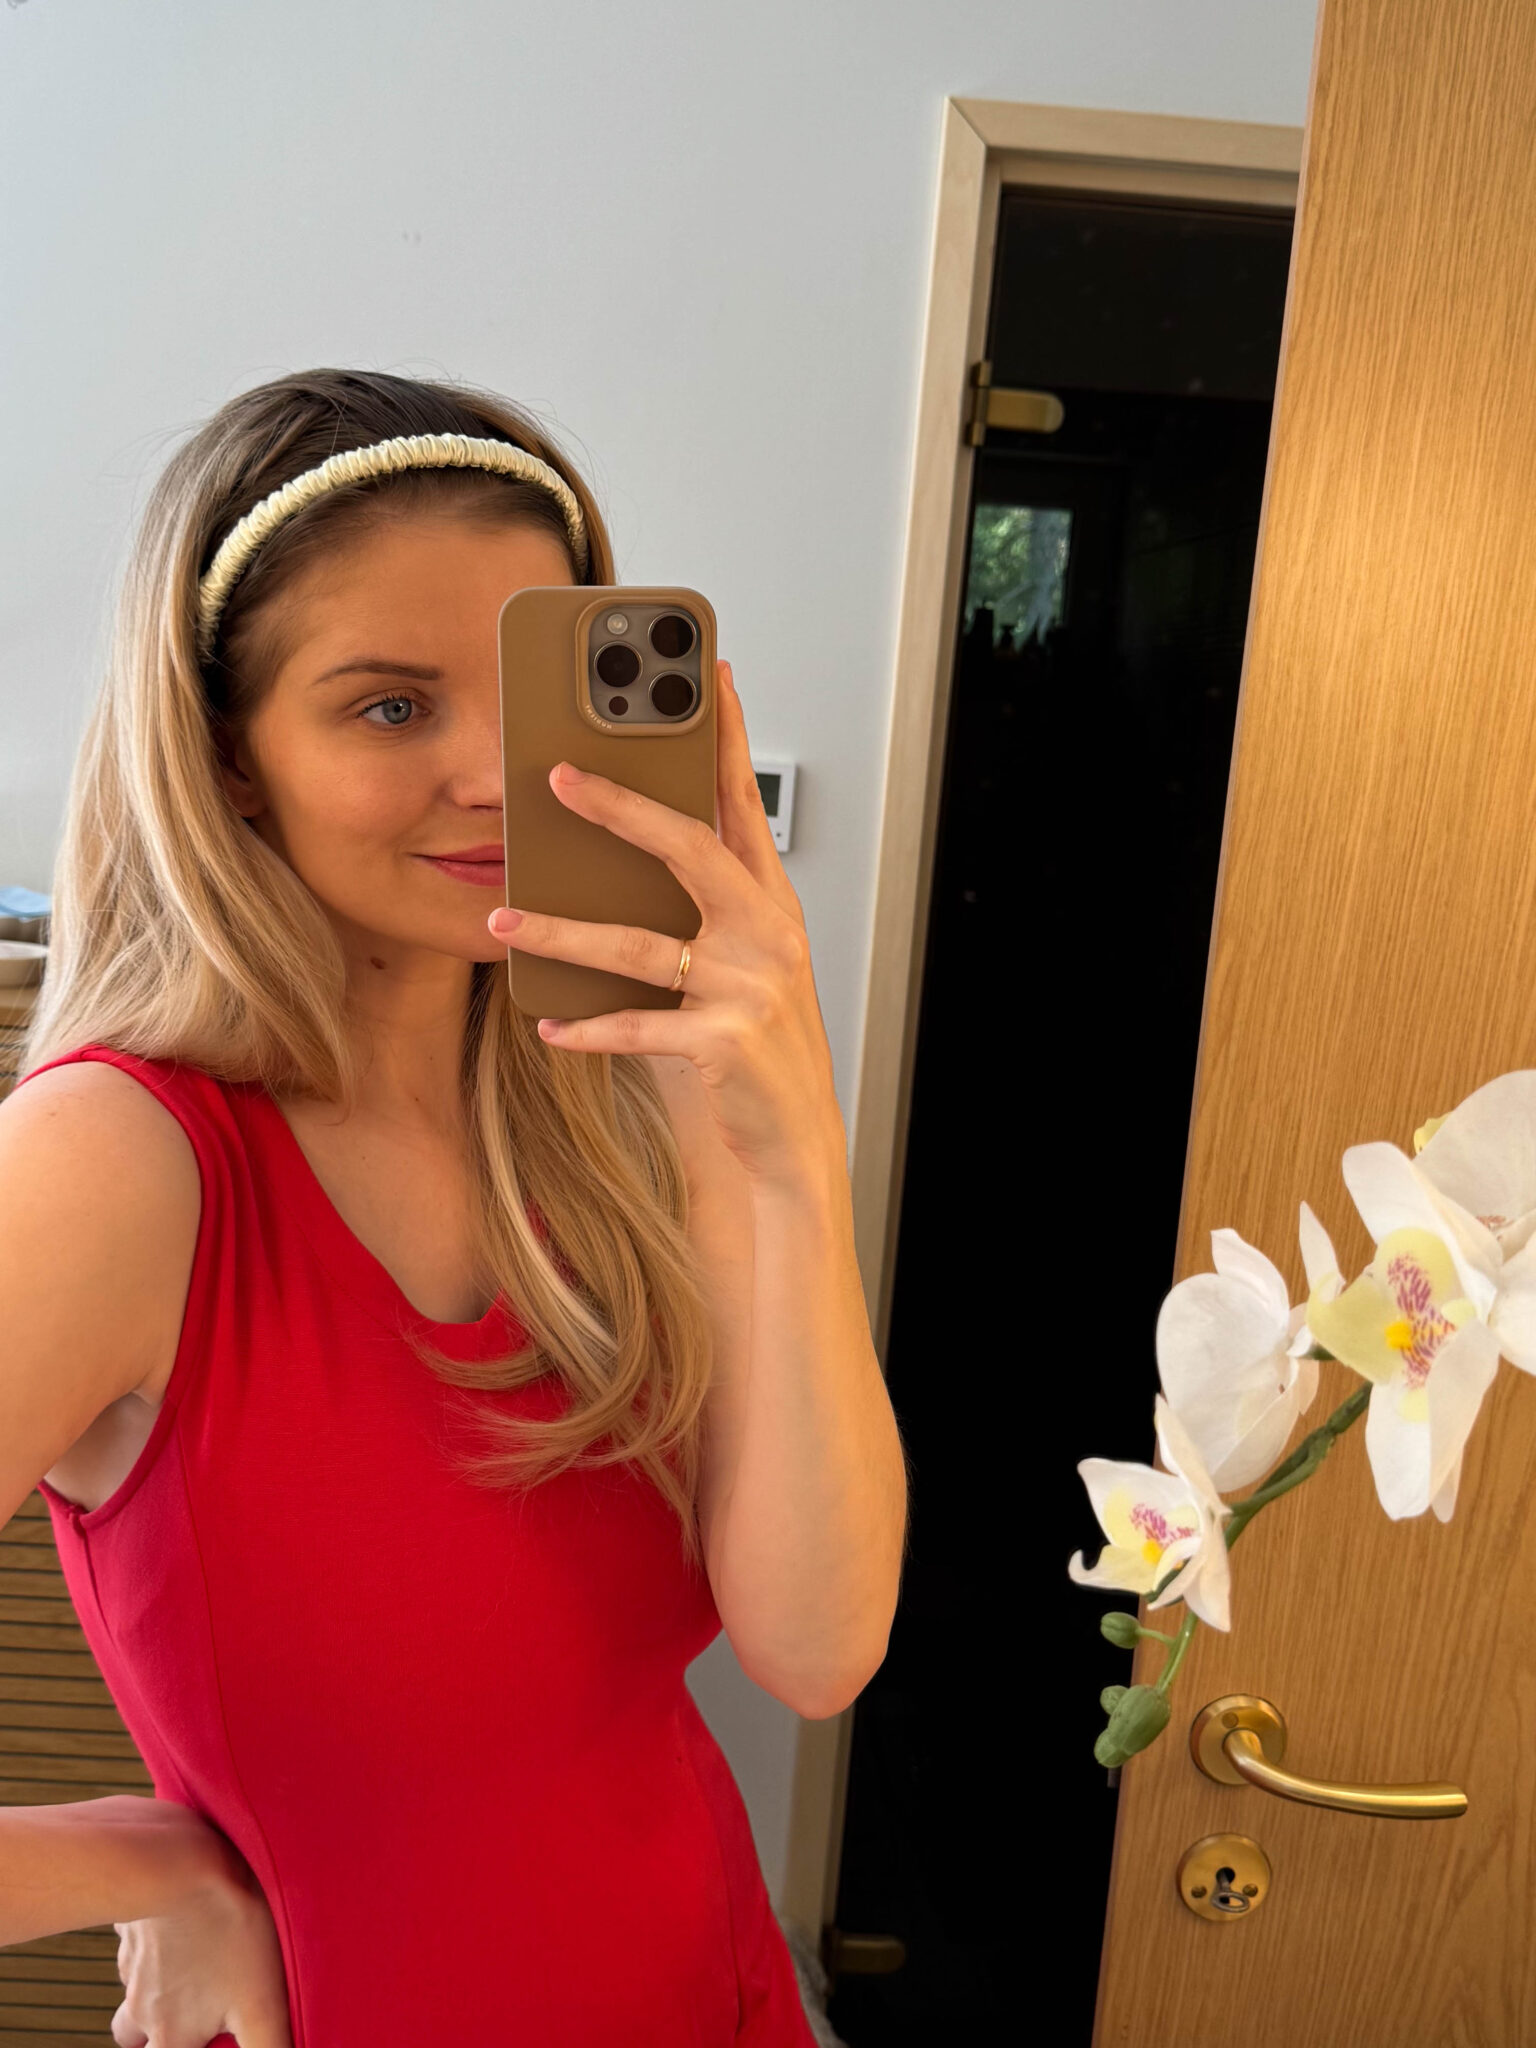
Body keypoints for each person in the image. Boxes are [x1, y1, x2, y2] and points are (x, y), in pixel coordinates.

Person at [0, 367, 908, 2046]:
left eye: (530, 696)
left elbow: (818, 1646)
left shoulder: (611, 1113)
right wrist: (147, 1860)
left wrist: (787, 1153)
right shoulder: (116, 1165)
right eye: (391, 707)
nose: (495, 775)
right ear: (232, 760)